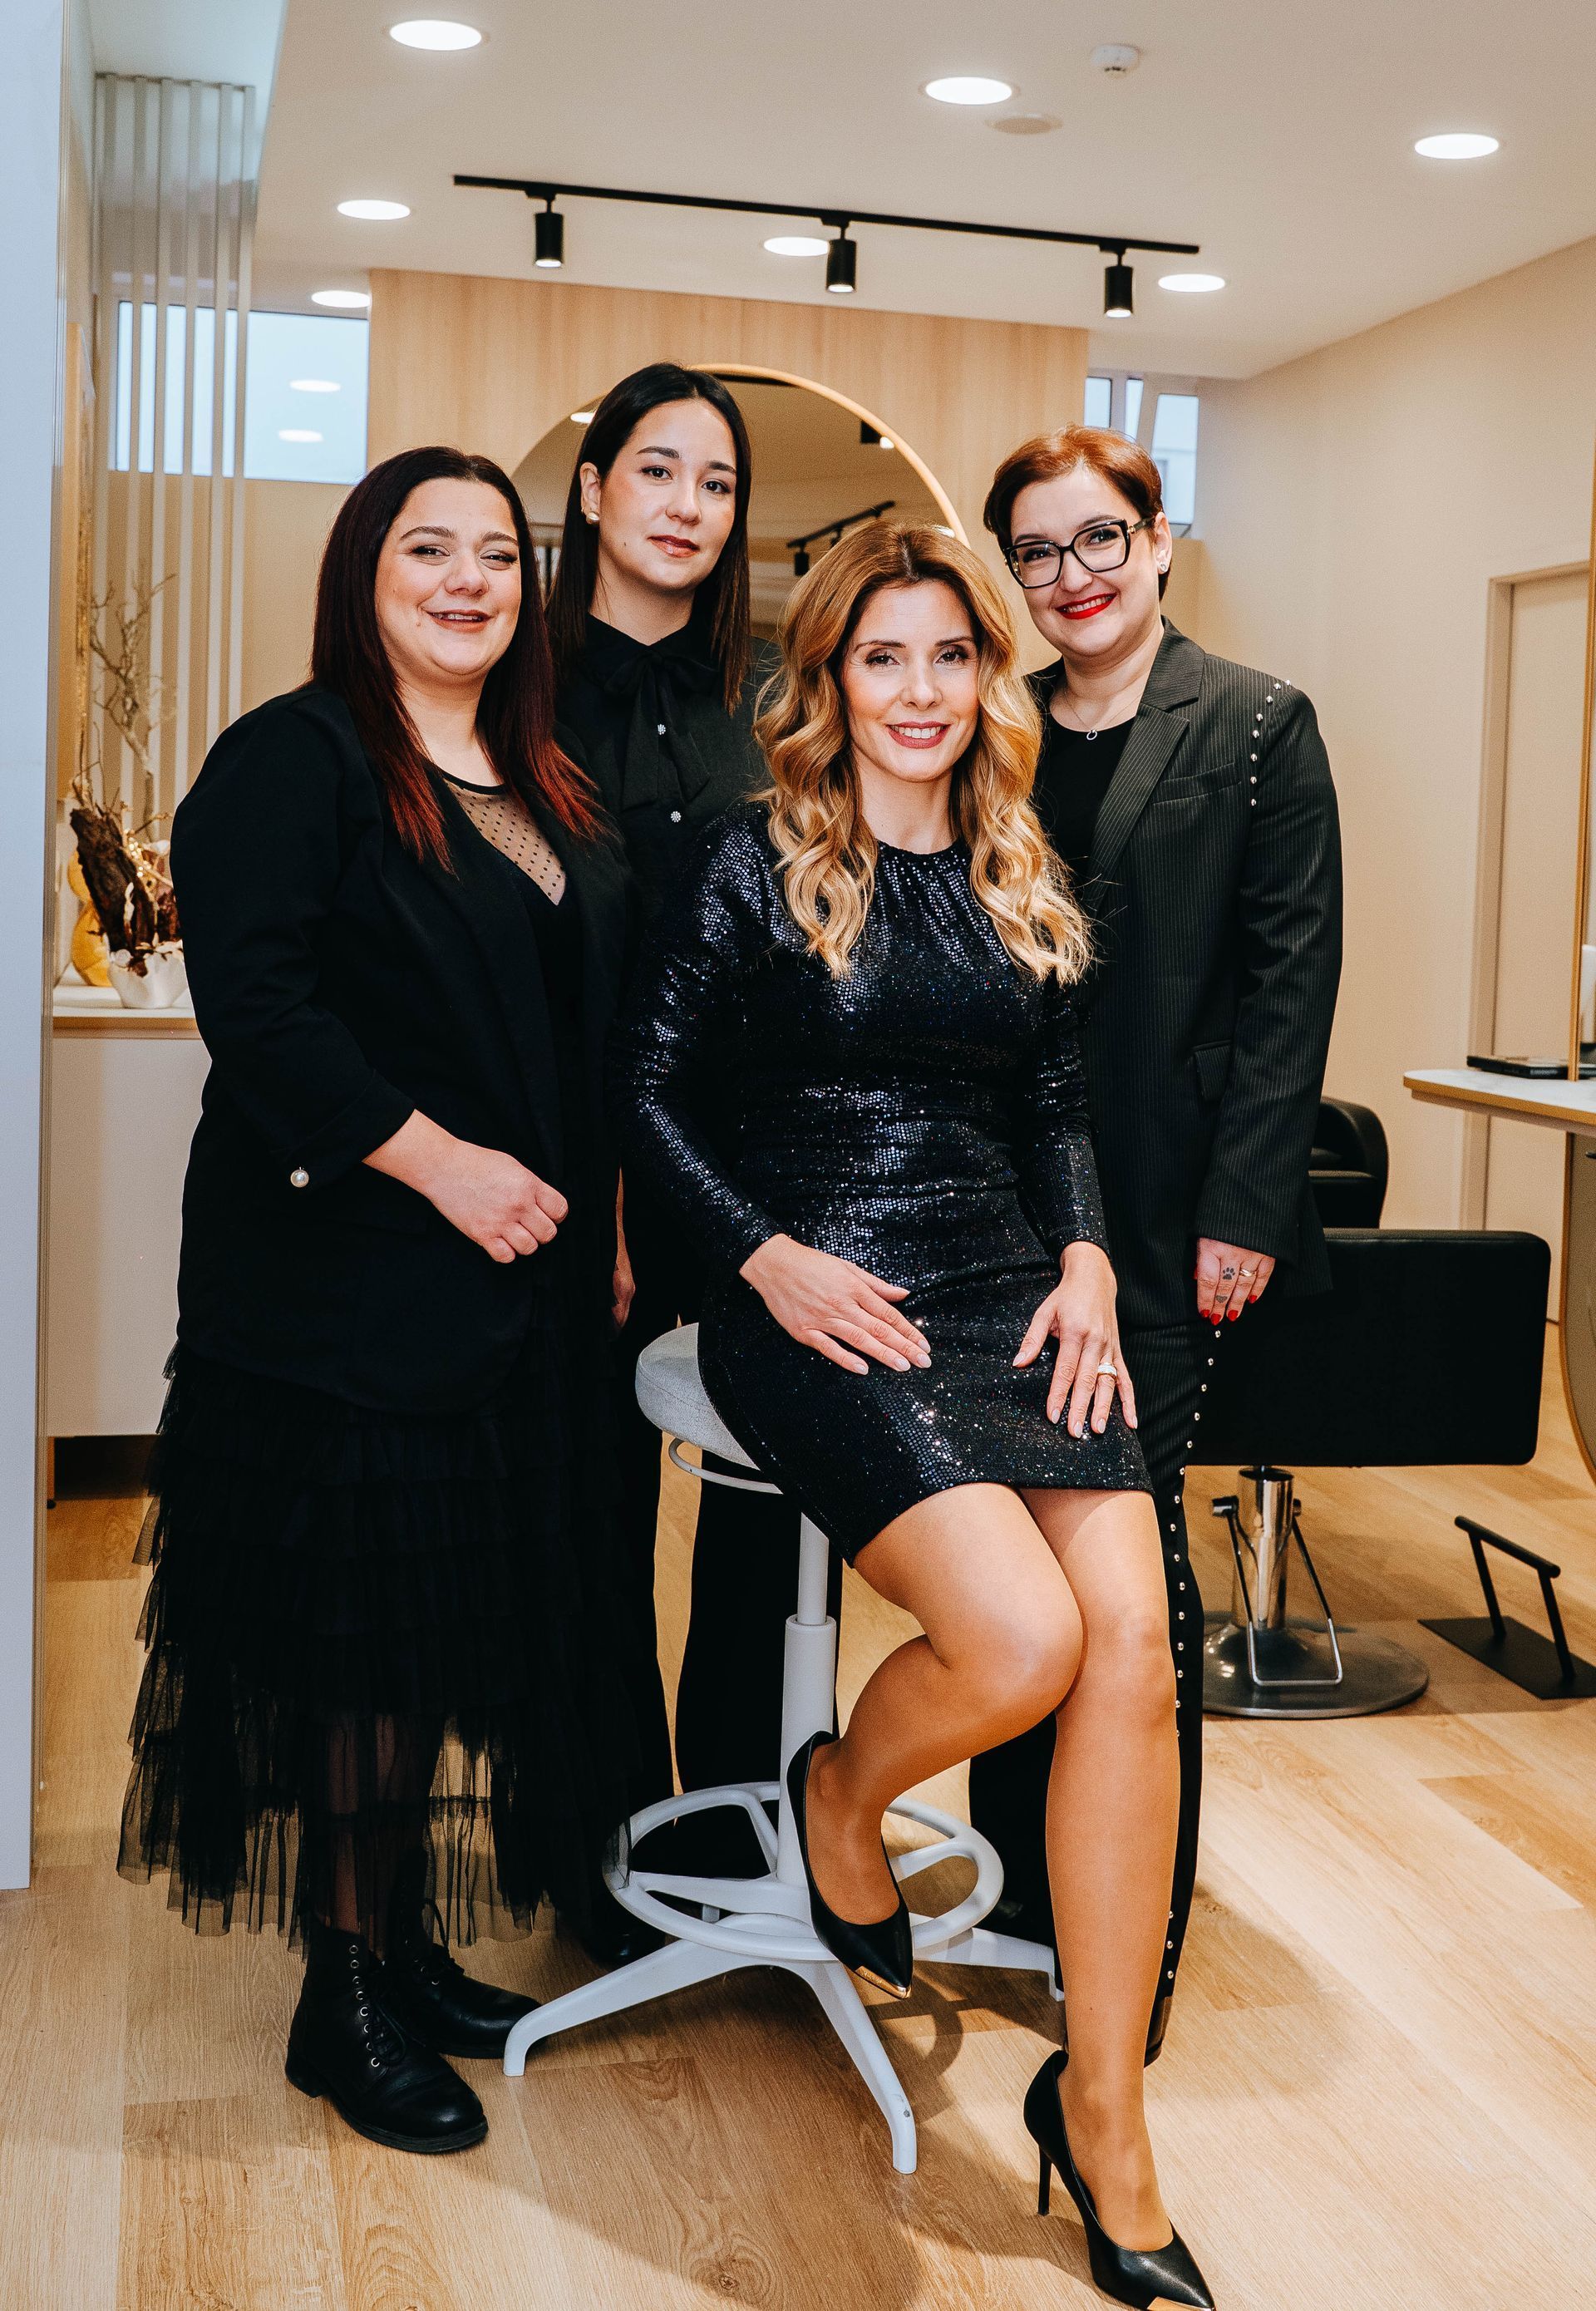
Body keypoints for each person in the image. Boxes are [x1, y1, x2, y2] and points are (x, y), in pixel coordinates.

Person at [614, 521, 1215, 2309]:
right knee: (1020, 1637)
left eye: (954, 656)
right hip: (810, 1280)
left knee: (1134, 1651)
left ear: (988, 676)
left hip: (1005, 1279)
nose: (923, 692)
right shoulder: (744, 857)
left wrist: (1092, 1259)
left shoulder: (1019, 858)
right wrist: (762, 1258)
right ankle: (842, 1792)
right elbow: (643, 1096)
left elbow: (1048, 1100)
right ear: (833, 679)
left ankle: (1102, 2111)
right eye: (886, 658)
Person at [119, 446, 641, 2156]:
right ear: (365, 571)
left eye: (498, 552)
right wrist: (446, 1166)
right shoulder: (299, 756)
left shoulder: (537, 775)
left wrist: (606, 1213)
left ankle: (401, 1943)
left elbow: (580, 1037)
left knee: (441, 1631)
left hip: (519, 1294)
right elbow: (260, 1017)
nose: (469, 578)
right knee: (361, 1642)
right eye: (430, 548)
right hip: (349, 1286)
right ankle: (338, 1995)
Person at [973, 425, 1342, 2061]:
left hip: (1174, 1207)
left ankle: (1129, 1937)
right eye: (1040, 552)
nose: (1075, 575)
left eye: (1100, 536)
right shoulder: (990, 729)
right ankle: (1003, 1883)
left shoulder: (1258, 726)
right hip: (995, 1211)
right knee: (1004, 1554)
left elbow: (1290, 985)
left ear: (1158, 535)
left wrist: (1246, 1214)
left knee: (1131, 1571)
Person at [548, 363, 815, 1887]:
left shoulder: (768, 711)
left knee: (767, 1517)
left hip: (744, 1173)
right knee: (585, 1512)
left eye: (716, 486)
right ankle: (601, 1854)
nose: (688, 509)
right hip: (568, 1164)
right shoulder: (502, 687)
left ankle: (744, 1841)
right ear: (593, 491)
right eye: (658, 473)